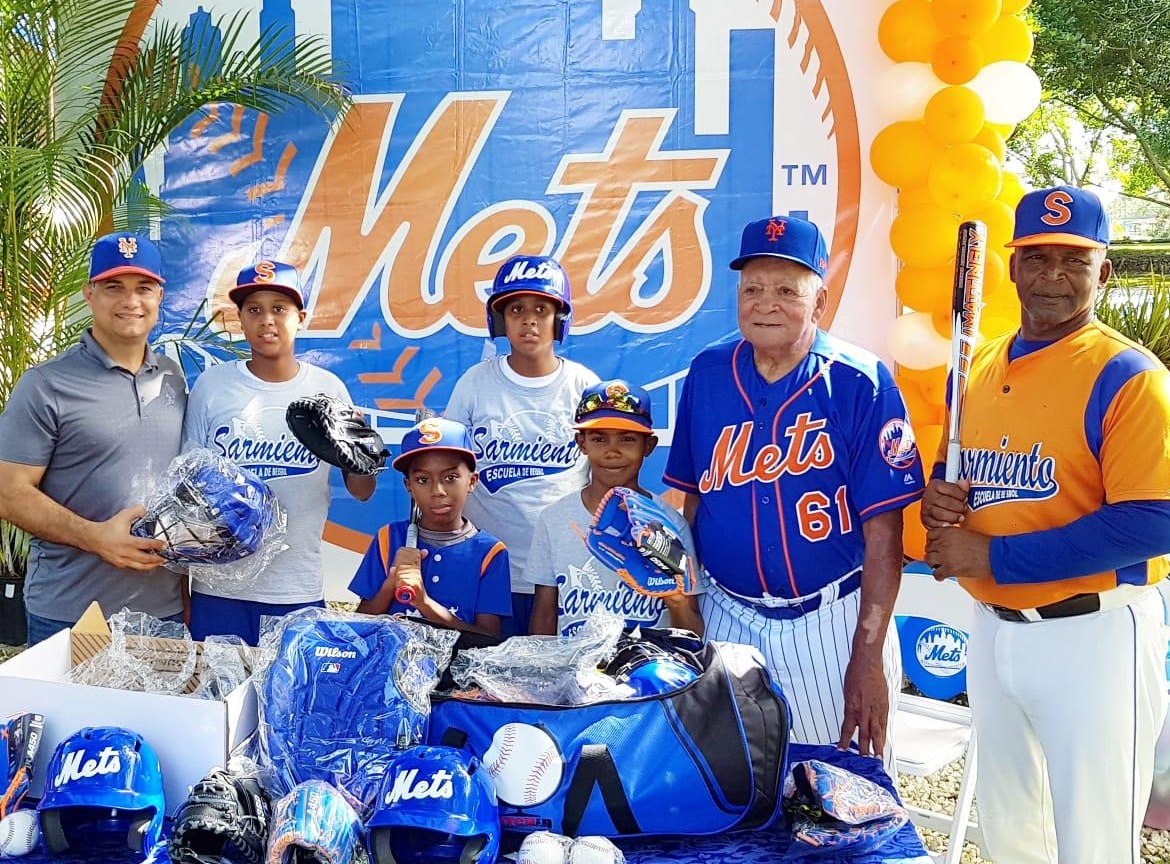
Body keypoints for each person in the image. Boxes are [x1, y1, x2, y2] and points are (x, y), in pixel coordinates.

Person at [921, 185, 1170, 864]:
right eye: (1035, 258)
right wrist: (939, 504)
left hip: (1093, 638)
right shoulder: (981, 365)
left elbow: (1154, 522)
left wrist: (994, 559)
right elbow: (961, 483)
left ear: (1105, 272)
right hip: (994, 633)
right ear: (1012, 268)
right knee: (1011, 834)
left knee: (1092, 843)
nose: (1052, 275)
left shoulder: (1128, 376)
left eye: (1073, 259)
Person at [663, 214, 924, 759]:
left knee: (845, 799)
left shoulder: (861, 381)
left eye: (787, 289)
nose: (766, 303)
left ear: (820, 301)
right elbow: (691, 505)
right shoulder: (707, 374)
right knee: (735, 794)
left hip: (829, 621)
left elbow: (885, 535)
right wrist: (685, 618)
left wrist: (868, 655)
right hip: (728, 615)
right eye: (752, 288)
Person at [0, 233, 187, 645]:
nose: (130, 301)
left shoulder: (173, 377)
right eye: (113, 287)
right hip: (72, 614)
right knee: (76, 714)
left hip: (162, 615)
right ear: (89, 294)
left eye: (143, 288)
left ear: (160, 296)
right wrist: (94, 536)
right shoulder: (46, 384)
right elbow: (8, 493)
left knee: (159, 713)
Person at [181, 260, 376, 645]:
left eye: (279, 309)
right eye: (254, 309)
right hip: (219, 588)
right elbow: (187, 492)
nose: (267, 320)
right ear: (238, 318)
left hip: (295, 586)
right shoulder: (212, 386)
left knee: (285, 703)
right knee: (220, 698)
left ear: (300, 317)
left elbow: (362, 490)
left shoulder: (327, 389)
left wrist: (362, 455)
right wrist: (183, 590)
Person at [445, 254, 599, 637]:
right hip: (488, 571)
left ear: (559, 320)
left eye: (541, 309)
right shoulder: (475, 383)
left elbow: (605, 481)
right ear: (499, 320)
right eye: (515, 309)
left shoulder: (583, 385)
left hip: (566, 573)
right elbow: (444, 468)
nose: (529, 319)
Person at [528, 380, 704, 637]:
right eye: (599, 439)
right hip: (575, 669)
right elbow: (544, 614)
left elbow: (693, 632)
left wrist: (674, 595)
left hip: (649, 670)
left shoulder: (669, 522)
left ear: (648, 446)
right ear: (581, 443)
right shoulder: (554, 519)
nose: (612, 451)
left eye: (627, 439)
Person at [348, 417, 511, 636]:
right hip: (392, 666)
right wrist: (392, 583)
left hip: (457, 669)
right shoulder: (389, 538)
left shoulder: (490, 552)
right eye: (423, 480)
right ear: (409, 486)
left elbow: (488, 637)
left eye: (451, 477)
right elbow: (360, 625)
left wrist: (424, 603)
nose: (438, 491)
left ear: (472, 481)